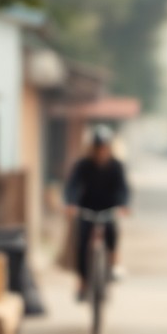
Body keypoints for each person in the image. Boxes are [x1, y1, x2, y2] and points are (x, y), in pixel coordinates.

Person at [64, 126, 130, 301]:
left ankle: (114, 263)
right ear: (92, 148)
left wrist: (123, 205)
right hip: (87, 209)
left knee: (113, 233)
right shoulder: (83, 165)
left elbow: (123, 188)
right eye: (98, 148)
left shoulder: (116, 166)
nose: (101, 152)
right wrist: (71, 203)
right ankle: (83, 282)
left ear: (109, 148)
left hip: (109, 208)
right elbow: (73, 185)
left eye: (104, 148)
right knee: (82, 242)